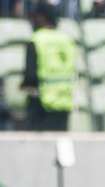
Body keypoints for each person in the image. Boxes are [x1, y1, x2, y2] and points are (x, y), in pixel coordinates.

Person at [21, 2, 76, 131]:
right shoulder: (66, 40)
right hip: (64, 101)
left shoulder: (37, 40)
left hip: (41, 105)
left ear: (42, 17)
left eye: (35, 17)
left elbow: (30, 76)